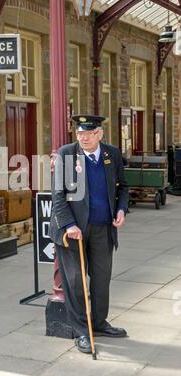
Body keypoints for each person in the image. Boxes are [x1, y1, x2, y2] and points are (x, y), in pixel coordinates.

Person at [50, 115, 129, 354]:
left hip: (103, 228)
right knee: (74, 282)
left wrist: (122, 209)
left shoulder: (111, 154)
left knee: (102, 279)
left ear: (99, 134)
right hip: (73, 232)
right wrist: (69, 225)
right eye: (80, 133)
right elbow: (58, 195)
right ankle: (82, 331)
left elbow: (123, 186)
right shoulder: (66, 154)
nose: (83, 137)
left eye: (89, 133)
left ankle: (99, 323)